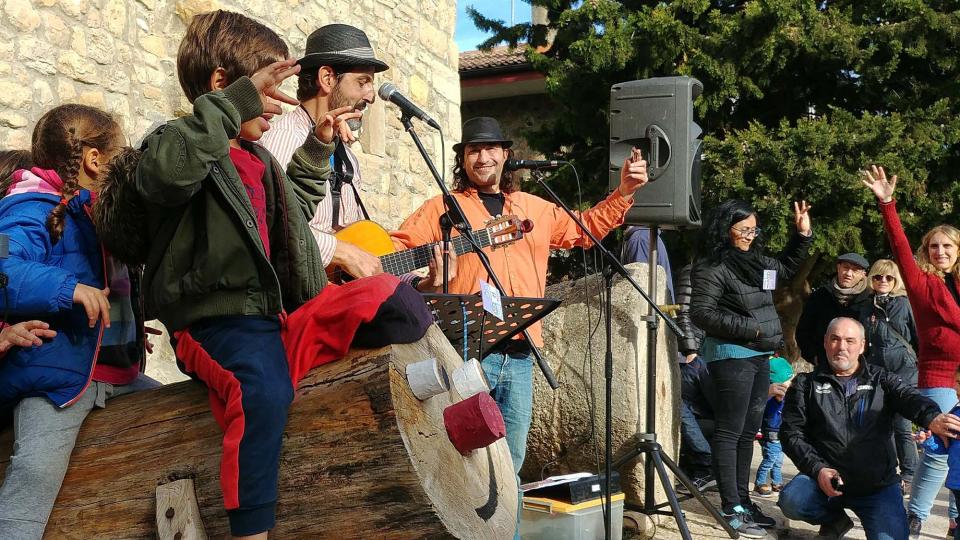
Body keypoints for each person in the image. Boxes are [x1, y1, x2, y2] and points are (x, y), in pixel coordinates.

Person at [133, 11, 355, 539]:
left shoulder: (258, 160)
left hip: (266, 315)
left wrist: (317, 150)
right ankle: (251, 529)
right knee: (262, 392)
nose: (280, 109)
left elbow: (288, 226)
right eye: (268, 94)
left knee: (381, 299)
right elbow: (163, 174)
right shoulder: (176, 145)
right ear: (221, 87)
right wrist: (234, 104)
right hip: (213, 322)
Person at [392, 116, 648, 535]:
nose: (483, 156)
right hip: (467, 351)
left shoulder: (533, 206)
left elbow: (586, 229)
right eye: (473, 149)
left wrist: (625, 192)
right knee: (460, 460)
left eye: (491, 148)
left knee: (510, 465)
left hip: (523, 355)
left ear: (506, 154)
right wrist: (424, 280)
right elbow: (394, 249)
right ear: (463, 158)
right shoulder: (442, 208)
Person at [0, 104, 160, 538]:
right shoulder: (29, 207)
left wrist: (127, 326)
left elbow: (114, 284)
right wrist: (66, 288)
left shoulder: (102, 215)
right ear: (94, 159)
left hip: (119, 374)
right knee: (34, 472)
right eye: (119, 152)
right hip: (56, 382)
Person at [690, 198, 813, 537]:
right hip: (731, 355)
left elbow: (785, 271)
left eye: (753, 229)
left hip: (759, 355)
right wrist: (752, 330)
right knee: (730, 431)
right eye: (743, 229)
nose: (749, 235)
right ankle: (731, 508)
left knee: (748, 432)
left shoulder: (756, 262)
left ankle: (743, 500)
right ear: (724, 228)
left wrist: (801, 237)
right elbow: (701, 313)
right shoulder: (712, 266)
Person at [778, 317, 960, 540]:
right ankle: (835, 521)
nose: (841, 347)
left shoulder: (881, 379)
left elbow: (910, 398)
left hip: (877, 487)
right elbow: (790, 434)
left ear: (862, 345)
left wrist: (932, 418)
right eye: (835, 339)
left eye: (850, 340)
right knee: (793, 500)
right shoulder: (805, 384)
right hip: (825, 481)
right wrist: (818, 469)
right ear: (825, 342)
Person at [861, 165, 960, 538]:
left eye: (947, 246)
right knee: (941, 445)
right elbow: (900, 247)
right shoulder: (923, 284)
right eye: (934, 246)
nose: (940, 252)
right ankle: (914, 517)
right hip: (938, 376)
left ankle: (955, 520)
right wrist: (888, 203)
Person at [259, 23, 388, 280]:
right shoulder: (282, 142)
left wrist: (420, 279)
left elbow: (363, 250)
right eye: (363, 82)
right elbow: (273, 231)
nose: (371, 96)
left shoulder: (348, 159)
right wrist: (340, 251)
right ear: (327, 78)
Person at [860, 258, 920, 493]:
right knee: (879, 424)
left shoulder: (905, 304)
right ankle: (886, 470)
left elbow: (918, 336)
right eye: (878, 276)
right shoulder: (865, 306)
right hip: (876, 371)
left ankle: (908, 474)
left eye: (888, 277)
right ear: (871, 279)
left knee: (902, 425)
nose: (883, 281)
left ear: (896, 281)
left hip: (905, 371)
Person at [674, 263, 716, 491]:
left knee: (681, 408)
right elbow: (683, 309)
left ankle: (705, 466)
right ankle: (703, 466)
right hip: (696, 354)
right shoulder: (694, 270)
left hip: (705, 356)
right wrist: (691, 349)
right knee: (681, 408)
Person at [797, 252, 873, 365]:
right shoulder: (820, 296)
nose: (848, 273)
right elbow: (803, 331)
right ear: (838, 268)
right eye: (845, 267)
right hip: (825, 364)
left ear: (863, 274)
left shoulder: (870, 300)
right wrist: (815, 357)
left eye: (855, 270)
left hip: (861, 367)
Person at [754, 354, 793, 497]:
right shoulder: (770, 400)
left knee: (778, 461)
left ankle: (777, 482)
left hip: (780, 434)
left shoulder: (787, 400)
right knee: (770, 459)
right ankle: (760, 482)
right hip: (771, 434)